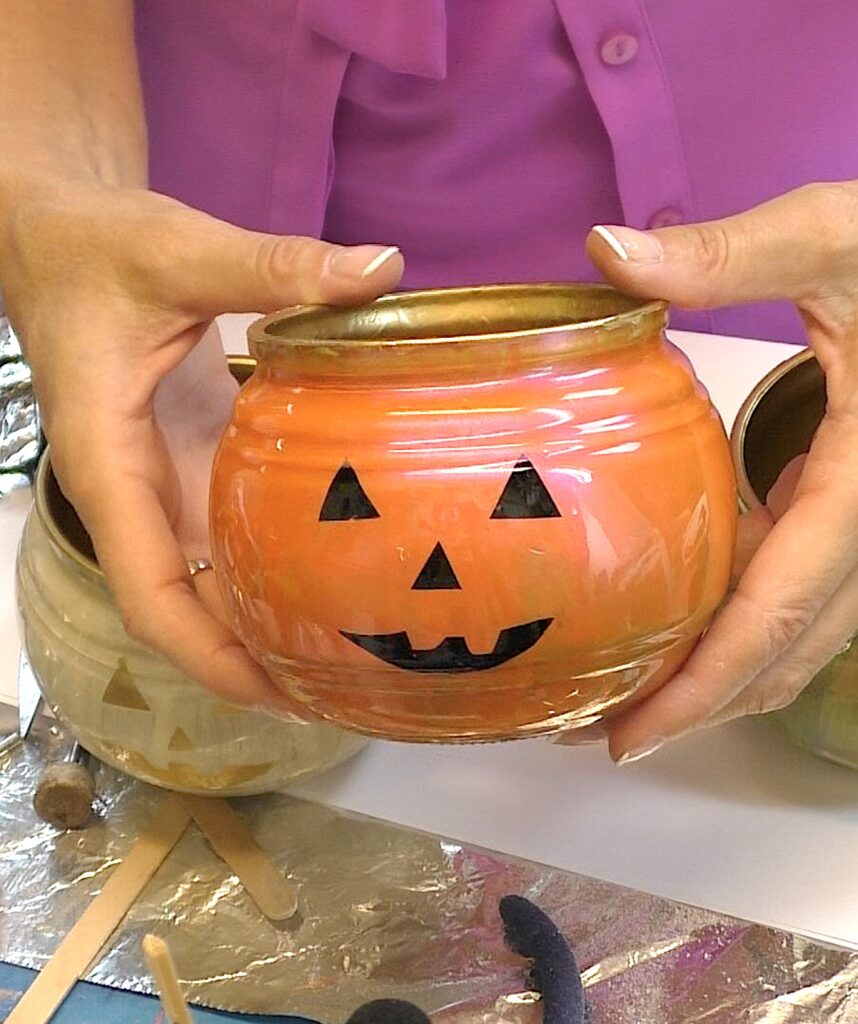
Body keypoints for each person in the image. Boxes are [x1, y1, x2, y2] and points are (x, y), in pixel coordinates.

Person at [2, 1, 857, 764]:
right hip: (193, 284)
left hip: (789, 272)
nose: (437, 576)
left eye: (520, 497)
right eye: (352, 502)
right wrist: (49, 193)